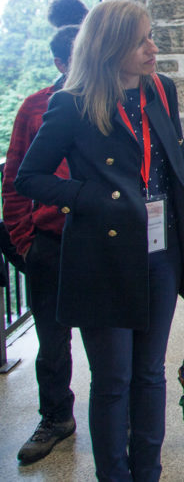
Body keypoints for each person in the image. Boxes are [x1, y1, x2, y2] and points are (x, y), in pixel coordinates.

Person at [15, 0, 184, 481]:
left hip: (161, 252)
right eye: (141, 41)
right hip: (102, 256)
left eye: (150, 36)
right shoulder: (72, 102)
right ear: (109, 46)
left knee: (150, 373)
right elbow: (28, 177)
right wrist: (90, 197)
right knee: (114, 379)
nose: (152, 48)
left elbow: (177, 167)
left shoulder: (162, 90)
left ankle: (148, 472)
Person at [2, 26, 79, 465]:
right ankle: (55, 417)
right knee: (51, 341)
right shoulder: (35, 106)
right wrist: (24, 240)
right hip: (49, 240)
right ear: (59, 63)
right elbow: (14, 178)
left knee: (112, 336)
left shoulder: (114, 99)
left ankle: (119, 415)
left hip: (101, 242)